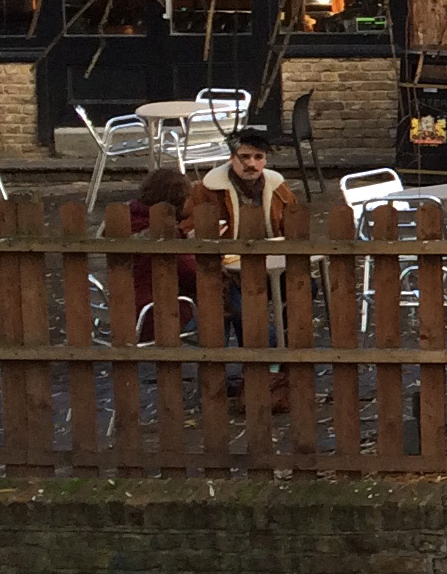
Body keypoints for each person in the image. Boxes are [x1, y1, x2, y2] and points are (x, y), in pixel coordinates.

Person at [195, 126, 308, 406]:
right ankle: (260, 366)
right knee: (240, 305)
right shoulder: (208, 190)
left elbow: (293, 226)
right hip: (226, 270)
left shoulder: (277, 188)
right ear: (232, 158)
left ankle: (288, 361)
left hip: (271, 264)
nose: (251, 164)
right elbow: (187, 227)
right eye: (245, 157)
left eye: (258, 157)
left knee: (306, 289)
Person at [110, 165, 205, 345]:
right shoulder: (164, 233)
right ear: (178, 200)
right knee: (221, 307)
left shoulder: (127, 221)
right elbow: (194, 276)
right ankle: (215, 364)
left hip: (121, 310)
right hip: (157, 315)